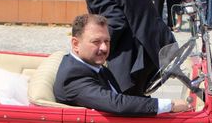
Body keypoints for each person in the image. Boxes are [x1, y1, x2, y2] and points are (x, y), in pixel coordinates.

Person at [62, 0, 175, 95]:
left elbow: (114, 22)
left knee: (121, 109)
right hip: (157, 45)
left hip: (134, 60)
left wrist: (91, 50)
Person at [54, 14, 190, 115]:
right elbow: (116, 104)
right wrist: (170, 105)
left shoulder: (92, 65)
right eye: (96, 42)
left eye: (107, 41)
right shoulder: (73, 76)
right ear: (76, 44)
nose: (104, 48)